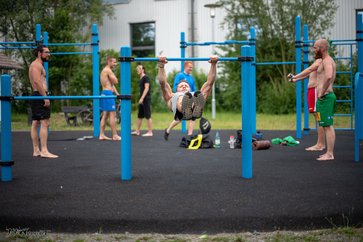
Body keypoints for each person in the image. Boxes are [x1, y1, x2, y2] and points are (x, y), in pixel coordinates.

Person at [157, 55, 218, 124]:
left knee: (201, 93)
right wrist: (161, 66)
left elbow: (209, 83)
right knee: (178, 97)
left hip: (192, 105)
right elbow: (163, 83)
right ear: (176, 89)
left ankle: (194, 108)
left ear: (189, 88)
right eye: (181, 86)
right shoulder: (173, 95)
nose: (184, 87)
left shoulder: (193, 94)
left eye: (186, 86)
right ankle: (186, 109)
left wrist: (213, 64)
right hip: (178, 110)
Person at [288, 57, 325, 151]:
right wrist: (296, 79)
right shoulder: (317, 61)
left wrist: (295, 76)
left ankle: (320, 144)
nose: (314, 49)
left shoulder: (320, 61)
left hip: (315, 90)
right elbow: (309, 73)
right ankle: (320, 143)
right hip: (311, 91)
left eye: (316, 48)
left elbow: (308, 70)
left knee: (319, 117)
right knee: (317, 117)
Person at [28, 45, 58, 158]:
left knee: (36, 123)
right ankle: (44, 151)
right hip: (39, 95)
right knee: (44, 123)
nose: (49, 54)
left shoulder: (37, 65)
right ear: (40, 53)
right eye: (46, 52)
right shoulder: (36, 65)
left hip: (37, 95)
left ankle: (36, 150)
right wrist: (45, 97)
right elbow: (36, 81)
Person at [314, 39, 336, 161]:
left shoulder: (327, 61)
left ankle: (330, 153)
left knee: (328, 126)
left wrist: (321, 92)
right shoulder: (324, 61)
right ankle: (327, 151)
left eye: (315, 47)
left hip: (326, 96)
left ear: (322, 48)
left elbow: (328, 76)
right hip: (324, 98)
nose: (314, 50)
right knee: (324, 124)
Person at [165, 61, 197, 140]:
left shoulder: (191, 78)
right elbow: (175, 86)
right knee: (180, 117)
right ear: (185, 67)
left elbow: (194, 89)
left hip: (189, 98)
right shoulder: (179, 75)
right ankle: (168, 130)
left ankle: (190, 135)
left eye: (192, 68)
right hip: (180, 97)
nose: (191, 69)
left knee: (194, 115)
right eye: (190, 67)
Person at [99, 56, 121, 141]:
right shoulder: (108, 70)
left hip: (106, 93)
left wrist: (118, 95)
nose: (115, 64)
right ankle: (115, 135)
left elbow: (112, 85)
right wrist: (115, 77)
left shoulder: (106, 71)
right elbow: (116, 81)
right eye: (114, 62)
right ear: (109, 61)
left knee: (105, 115)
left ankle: (101, 135)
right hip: (108, 94)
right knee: (113, 114)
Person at [131, 65, 153, 137]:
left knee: (147, 115)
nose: (137, 70)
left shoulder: (145, 77)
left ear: (143, 70)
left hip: (145, 98)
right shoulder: (141, 78)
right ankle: (137, 131)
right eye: (137, 69)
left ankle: (150, 132)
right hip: (142, 98)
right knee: (140, 115)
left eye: (139, 68)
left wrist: (142, 98)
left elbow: (147, 88)